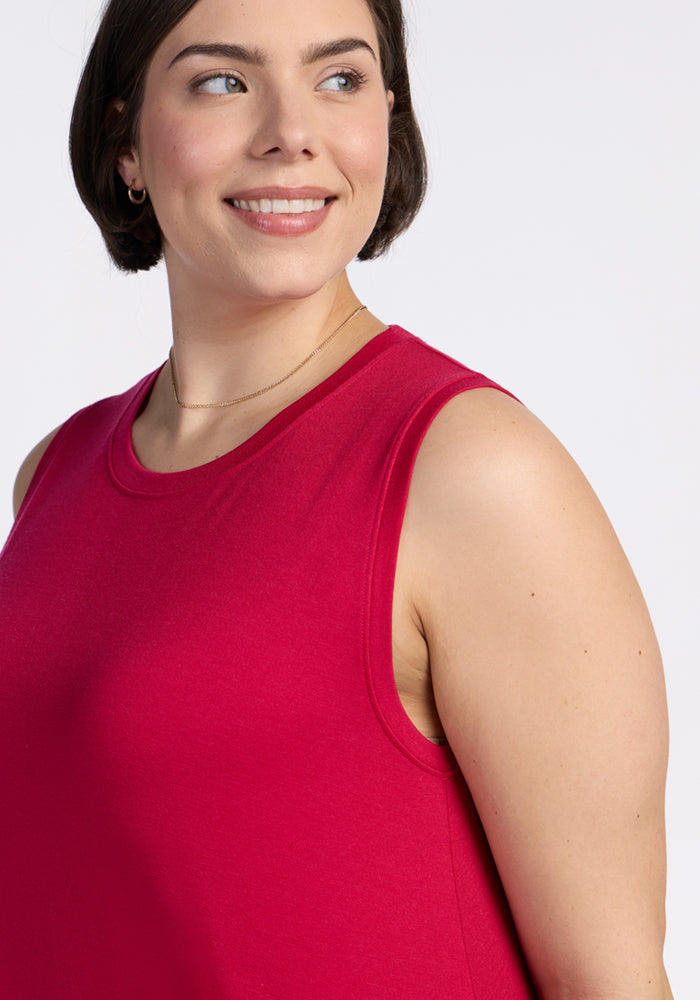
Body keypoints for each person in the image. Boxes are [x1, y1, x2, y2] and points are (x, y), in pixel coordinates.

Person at [0, 0, 673, 996]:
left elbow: (609, 981)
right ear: (125, 140)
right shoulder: (53, 472)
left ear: (388, 122)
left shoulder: (470, 472)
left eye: (340, 77)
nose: (291, 131)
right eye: (222, 81)